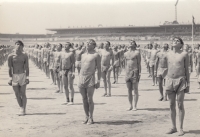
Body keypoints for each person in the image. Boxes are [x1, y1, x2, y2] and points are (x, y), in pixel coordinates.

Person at [165, 37, 189, 136]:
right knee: (171, 105)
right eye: (173, 40)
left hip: (181, 81)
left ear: (181, 44)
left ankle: (181, 128)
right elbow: (167, 68)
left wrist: (188, 84)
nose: (175, 41)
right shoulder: (168, 54)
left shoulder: (184, 54)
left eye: (177, 41)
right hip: (170, 80)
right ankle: (173, 127)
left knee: (180, 105)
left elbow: (187, 69)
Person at [77, 39, 101, 125]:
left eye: (89, 43)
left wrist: (98, 80)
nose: (87, 44)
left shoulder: (96, 55)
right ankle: (86, 116)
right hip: (82, 77)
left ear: (94, 45)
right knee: (84, 99)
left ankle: (91, 117)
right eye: (87, 43)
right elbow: (79, 65)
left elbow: (99, 68)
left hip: (90, 77)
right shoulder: (83, 55)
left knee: (90, 98)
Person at [8, 40, 29, 116]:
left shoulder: (25, 55)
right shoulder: (10, 56)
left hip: (22, 75)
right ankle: (21, 107)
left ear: (22, 46)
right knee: (17, 94)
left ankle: (24, 109)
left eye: (20, 45)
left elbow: (27, 67)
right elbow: (9, 68)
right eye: (17, 44)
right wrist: (10, 78)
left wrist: (27, 77)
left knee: (23, 93)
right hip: (14, 76)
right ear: (15, 45)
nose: (18, 46)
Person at [124, 40, 141, 111]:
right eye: (129, 42)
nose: (131, 43)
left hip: (135, 71)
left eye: (132, 42)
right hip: (128, 72)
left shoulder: (137, 53)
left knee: (135, 89)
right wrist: (125, 72)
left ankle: (135, 105)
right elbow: (125, 64)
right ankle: (130, 105)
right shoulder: (125, 53)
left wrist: (139, 73)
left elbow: (139, 64)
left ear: (135, 44)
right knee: (129, 90)